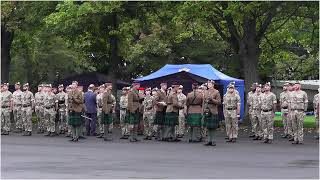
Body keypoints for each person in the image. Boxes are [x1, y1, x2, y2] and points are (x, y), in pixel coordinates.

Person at [203, 80, 221, 146]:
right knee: (208, 127)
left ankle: (213, 141)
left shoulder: (216, 92)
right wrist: (203, 110)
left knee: (213, 127)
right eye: (208, 83)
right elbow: (204, 101)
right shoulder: (206, 91)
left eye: (210, 84)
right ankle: (209, 140)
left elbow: (219, 102)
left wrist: (212, 99)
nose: (208, 85)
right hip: (207, 111)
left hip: (213, 111)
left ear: (213, 84)